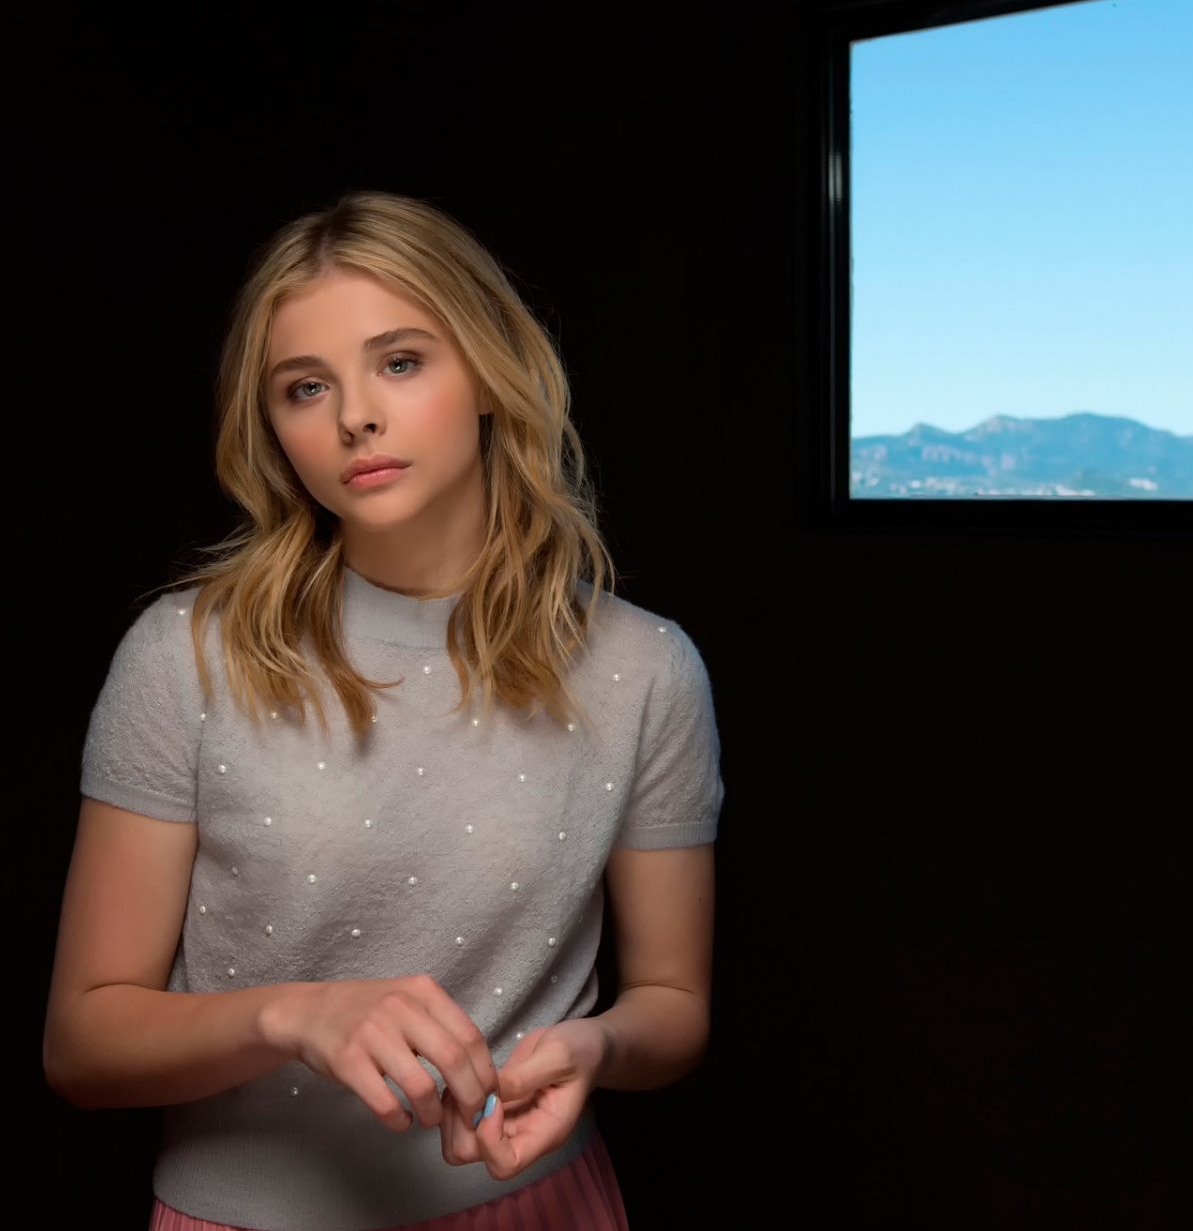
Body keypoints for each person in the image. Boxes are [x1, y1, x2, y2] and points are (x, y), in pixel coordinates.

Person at [42, 190, 724, 1231]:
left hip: (534, 1206)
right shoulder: (185, 656)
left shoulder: (646, 667)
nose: (355, 414)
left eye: (401, 362)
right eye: (304, 386)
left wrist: (598, 1046)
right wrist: (293, 1012)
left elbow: (673, 1008)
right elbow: (83, 1046)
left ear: (491, 373)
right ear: (271, 428)